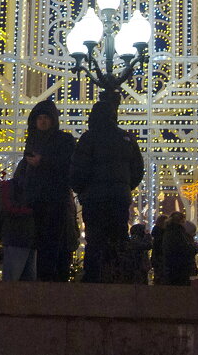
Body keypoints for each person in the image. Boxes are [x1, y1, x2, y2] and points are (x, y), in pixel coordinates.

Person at [69, 93, 143, 283]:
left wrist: (82, 190)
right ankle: (118, 276)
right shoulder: (126, 138)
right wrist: (125, 187)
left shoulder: (89, 138)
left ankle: (94, 279)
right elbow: (137, 169)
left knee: (94, 240)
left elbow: (78, 169)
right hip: (119, 197)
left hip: (95, 199)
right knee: (118, 238)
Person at [23, 98, 76, 282]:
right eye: (40, 118)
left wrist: (42, 162)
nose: (43, 121)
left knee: (54, 247)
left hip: (56, 203)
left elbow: (68, 166)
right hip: (35, 203)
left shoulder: (64, 140)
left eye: (46, 117)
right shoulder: (32, 141)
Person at [0, 160, 37, 281]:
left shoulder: (9, 187)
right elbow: (9, 207)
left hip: (19, 238)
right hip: (21, 238)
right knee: (22, 278)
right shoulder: (14, 187)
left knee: (15, 278)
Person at [161, 212, 197, 286]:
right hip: (180, 268)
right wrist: (194, 248)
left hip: (170, 267)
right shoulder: (178, 233)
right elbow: (184, 250)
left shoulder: (168, 232)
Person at [150, 214, 169, 285]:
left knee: (157, 275)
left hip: (156, 258)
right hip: (161, 258)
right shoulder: (162, 233)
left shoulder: (156, 232)